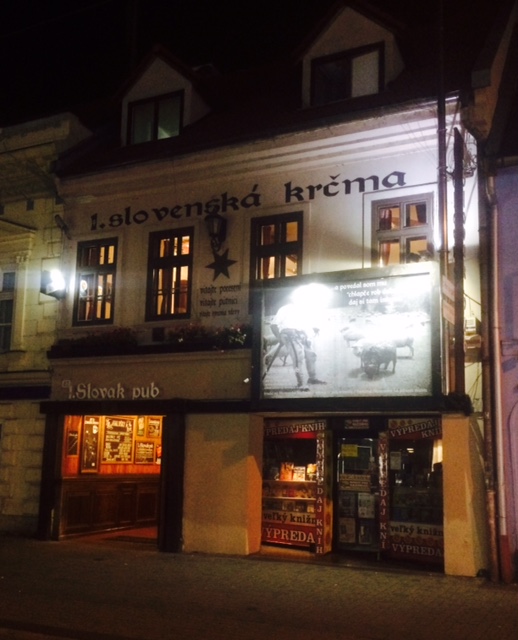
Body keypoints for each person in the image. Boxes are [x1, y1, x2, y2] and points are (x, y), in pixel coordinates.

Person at [267, 301, 326, 390]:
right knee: (298, 359)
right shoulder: (285, 309)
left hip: (301, 335)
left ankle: (312, 379)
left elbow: (304, 326)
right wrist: (279, 337)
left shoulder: (304, 310)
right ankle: (301, 383)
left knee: (311, 355)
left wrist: (307, 337)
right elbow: (273, 325)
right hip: (289, 335)